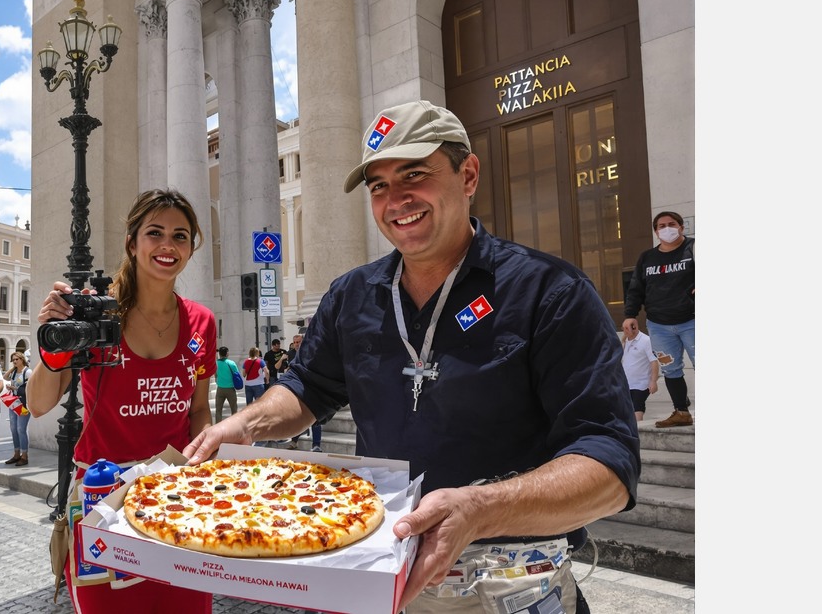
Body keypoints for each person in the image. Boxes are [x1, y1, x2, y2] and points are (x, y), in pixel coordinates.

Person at [185, 100, 640, 614]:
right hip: (382, 581)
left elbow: (609, 466)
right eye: (378, 185)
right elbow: (308, 385)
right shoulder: (351, 296)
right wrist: (245, 424)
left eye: (415, 175)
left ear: (468, 175)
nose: (395, 199)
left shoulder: (550, 292)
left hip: (513, 588)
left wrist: (479, 510)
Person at [27, 188, 215, 614]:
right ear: (132, 243)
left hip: (175, 497)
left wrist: (205, 459)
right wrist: (54, 345)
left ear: (191, 248)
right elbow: (37, 404)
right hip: (103, 497)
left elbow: (199, 409)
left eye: (180, 236)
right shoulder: (96, 314)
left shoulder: (202, 321)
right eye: (155, 233)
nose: (168, 245)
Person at [623, 211, 695, 428]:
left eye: (671, 224)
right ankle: (681, 412)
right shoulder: (647, 258)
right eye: (661, 226)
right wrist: (630, 314)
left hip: (692, 320)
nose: (667, 228)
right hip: (659, 325)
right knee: (670, 369)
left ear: (681, 227)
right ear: (656, 231)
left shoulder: (693, 248)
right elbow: (636, 288)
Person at [621, 320, 659, 422]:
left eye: (627, 328)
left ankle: (638, 429)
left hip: (641, 383)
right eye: (623, 328)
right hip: (627, 383)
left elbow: (654, 361)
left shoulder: (646, 341)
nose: (624, 331)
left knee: (637, 406)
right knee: (628, 409)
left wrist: (653, 381)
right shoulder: (625, 341)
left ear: (635, 328)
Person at [3, 352, 31, 466]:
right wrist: (13, 368)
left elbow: (30, 387)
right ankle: (16, 453)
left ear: (22, 359)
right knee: (13, 428)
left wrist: (14, 388)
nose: (14, 361)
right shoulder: (14, 372)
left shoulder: (27, 372)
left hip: (24, 403)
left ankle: (24, 455)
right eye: (13, 360)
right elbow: (5, 377)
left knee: (21, 429)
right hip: (14, 403)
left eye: (17, 359)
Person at [214, 346, 240, 424]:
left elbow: (215, 375)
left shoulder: (216, 363)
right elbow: (237, 374)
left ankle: (218, 425)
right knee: (234, 408)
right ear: (227, 353)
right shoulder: (231, 363)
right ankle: (234, 424)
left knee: (218, 409)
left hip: (220, 388)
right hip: (230, 388)